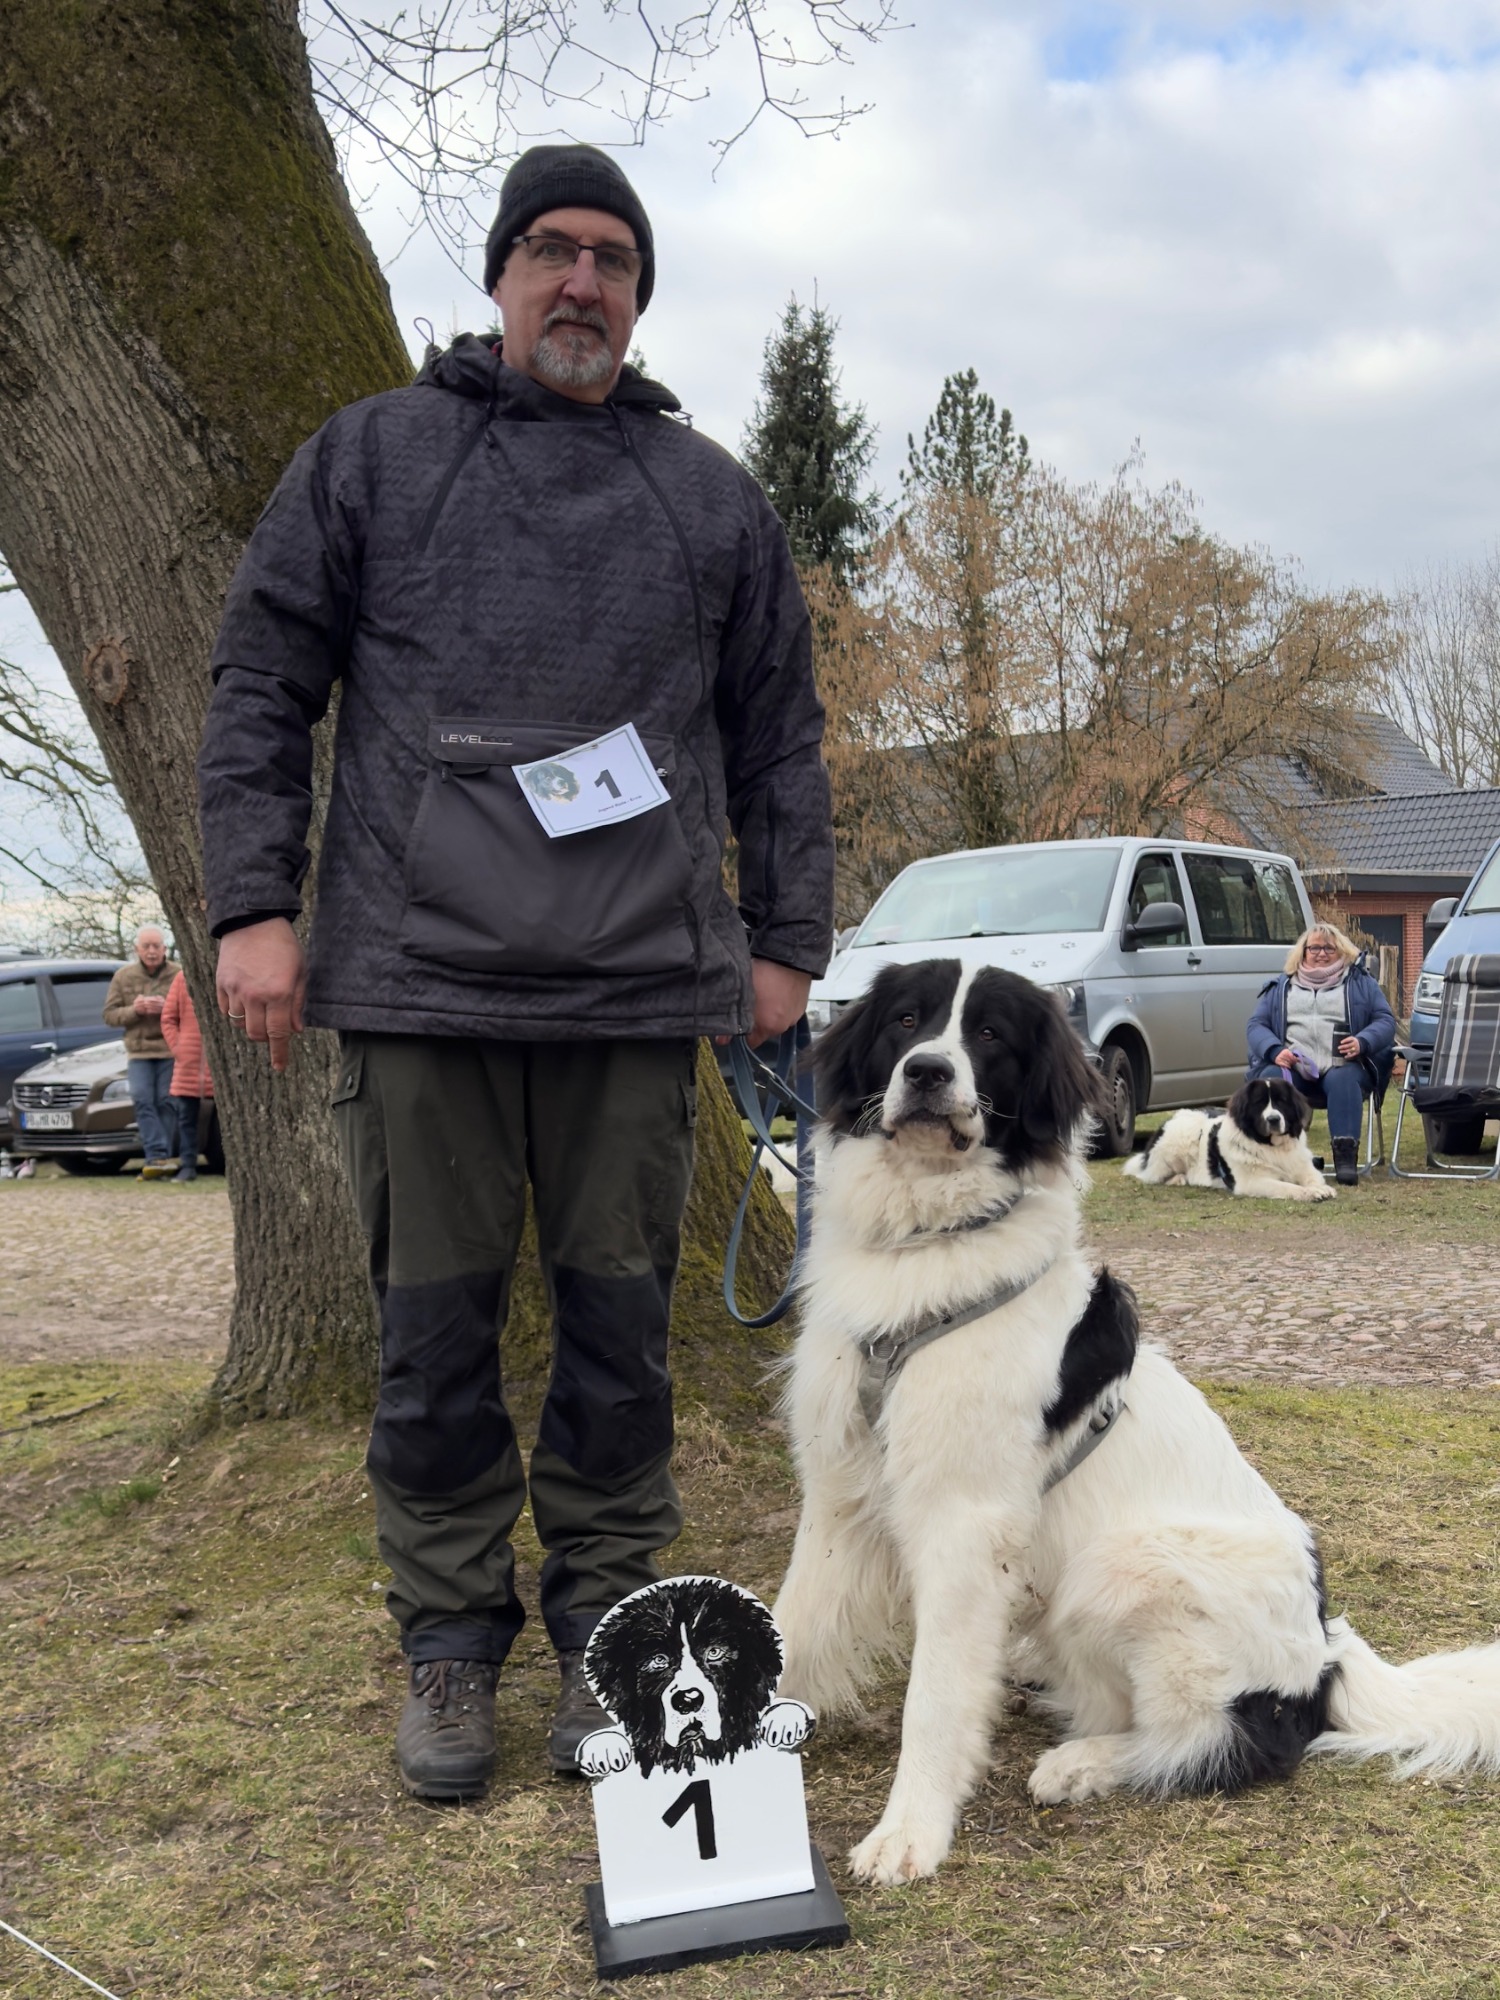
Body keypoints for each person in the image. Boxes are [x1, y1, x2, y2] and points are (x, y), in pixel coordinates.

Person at [197, 144, 834, 1802]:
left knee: (621, 1339)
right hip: (418, 987)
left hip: (636, 993)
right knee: (431, 1342)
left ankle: (613, 1621)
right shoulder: (374, 458)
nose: (582, 281)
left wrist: (788, 941)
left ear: (638, 297)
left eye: (614, 258)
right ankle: (449, 1638)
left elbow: (780, 734)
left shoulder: (712, 500)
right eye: (552, 248)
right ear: (498, 276)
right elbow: (260, 677)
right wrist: (252, 907)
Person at [1245, 922, 1396, 1185]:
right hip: (1294, 1067)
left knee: (1342, 1078)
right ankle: (1276, 1158)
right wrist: (1275, 1050)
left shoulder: (1360, 983)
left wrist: (1362, 1042)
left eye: (1329, 948)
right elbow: (1256, 1025)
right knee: (1271, 1079)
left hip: (1344, 1065)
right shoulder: (1281, 986)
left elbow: (1385, 1020)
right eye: (1314, 948)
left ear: (1341, 951)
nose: (1322, 953)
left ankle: (1345, 1158)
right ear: (1303, 952)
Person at [103, 925, 181, 1179]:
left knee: (166, 1102)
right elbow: (109, 1015)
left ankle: (161, 1157)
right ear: (137, 949)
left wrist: (167, 1008)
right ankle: (156, 1156)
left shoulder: (179, 974)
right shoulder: (123, 976)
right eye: (146, 946)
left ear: (164, 948)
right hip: (138, 1052)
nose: (151, 951)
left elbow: (193, 1011)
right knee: (142, 1099)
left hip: (169, 1049)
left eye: (156, 946)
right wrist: (135, 1010)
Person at [160, 971, 212, 1183]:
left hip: (220, 1064)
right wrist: (178, 1048)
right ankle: (188, 1165)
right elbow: (168, 1018)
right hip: (188, 1063)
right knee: (186, 1119)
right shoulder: (183, 978)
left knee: (228, 1119)